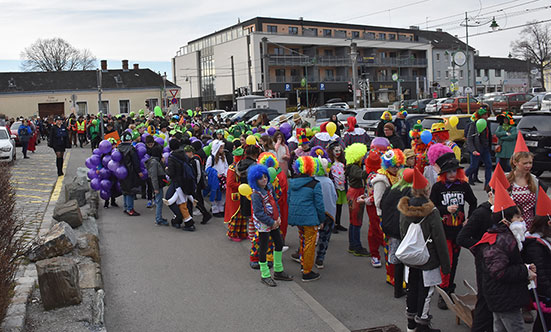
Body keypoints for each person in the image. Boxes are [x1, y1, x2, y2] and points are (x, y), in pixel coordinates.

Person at [471, 182, 534, 332]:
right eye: (518, 217)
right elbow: (499, 271)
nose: (521, 220)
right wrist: (524, 271)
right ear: (506, 220)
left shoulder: (505, 237)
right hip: (504, 296)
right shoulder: (501, 241)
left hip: (502, 295)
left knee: (500, 327)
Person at [398, 168, 450, 332]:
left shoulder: (404, 209)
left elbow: (402, 232)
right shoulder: (432, 212)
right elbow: (440, 239)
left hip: (411, 257)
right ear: (427, 190)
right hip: (429, 258)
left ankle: (411, 324)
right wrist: (446, 264)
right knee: (426, 291)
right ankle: (422, 324)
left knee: (411, 288)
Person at [429, 152, 477, 310]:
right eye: (448, 171)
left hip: (459, 231)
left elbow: (474, 202)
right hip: (443, 230)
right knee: (447, 261)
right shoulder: (438, 187)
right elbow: (431, 207)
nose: (452, 174)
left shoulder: (463, 185)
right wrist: (445, 208)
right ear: (443, 174)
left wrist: (470, 219)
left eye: (454, 171)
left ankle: (449, 286)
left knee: (454, 261)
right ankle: (444, 290)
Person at [248, 164, 293, 287]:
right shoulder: (256, 194)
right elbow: (258, 213)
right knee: (263, 249)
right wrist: (271, 222)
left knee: (278, 244)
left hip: (273, 220)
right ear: (255, 180)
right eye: (260, 178)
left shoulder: (269, 187)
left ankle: (278, 271)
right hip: (264, 224)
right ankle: (265, 275)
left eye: (265, 177)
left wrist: (277, 217)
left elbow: (275, 202)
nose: (264, 179)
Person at [288, 156, 325, 282]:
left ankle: (303, 264)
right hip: (310, 218)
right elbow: (319, 205)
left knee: (302, 241)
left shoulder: (292, 182)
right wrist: (321, 219)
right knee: (310, 244)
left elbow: (288, 200)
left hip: (297, 217)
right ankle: (307, 271)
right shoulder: (315, 184)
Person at [373, 148, 406, 286]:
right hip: (387, 217)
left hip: (398, 215)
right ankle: (391, 275)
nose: (396, 168)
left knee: (399, 247)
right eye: (393, 166)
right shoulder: (381, 179)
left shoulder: (398, 176)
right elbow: (378, 201)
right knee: (390, 247)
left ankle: (397, 275)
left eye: (398, 165)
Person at [380, 168, 413, 298]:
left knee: (397, 259)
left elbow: (382, 205)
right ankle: (408, 286)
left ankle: (398, 289)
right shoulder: (411, 192)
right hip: (405, 230)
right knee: (409, 260)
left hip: (391, 229)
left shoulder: (391, 189)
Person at [523, 187, 551, 332]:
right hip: (543, 294)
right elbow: (541, 272)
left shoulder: (545, 239)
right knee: (544, 324)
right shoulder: (535, 246)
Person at [507, 133, 541, 229]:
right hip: (512, 225)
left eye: (530, 163)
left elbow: (538, 205)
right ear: (515, 162)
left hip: (530, 225)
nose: (528, 166)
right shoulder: (506, 180)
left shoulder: (534, 180)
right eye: (525, 163)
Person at [344, 143, 370, 257]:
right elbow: (363, 175)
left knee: (354, 221)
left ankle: (353, 245)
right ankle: (356, 246)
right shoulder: (354, 167)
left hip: (354, 192)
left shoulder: (352, 166)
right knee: (356, 221)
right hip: (356, 193)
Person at [313, 156, 337, 269]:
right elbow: (334, 197)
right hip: (329, 213)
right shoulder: (329, 182)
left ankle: (304, 255)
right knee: (324, 238)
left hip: (315, 213)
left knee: (310, 236)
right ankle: (320, 258)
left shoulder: (313, 181)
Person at [118, 131, 143, 216]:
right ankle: (130, 209)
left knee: (125, 190)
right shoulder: (131, 149)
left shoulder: (119, 148)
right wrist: (139, 171)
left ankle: (126, 207)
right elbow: (135, 162)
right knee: (130, 191)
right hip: (130, 172)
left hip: (120, 172)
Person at [465, 108, 492, 186]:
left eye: (486, 115)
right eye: (484, 115)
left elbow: (488, 137)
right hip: (476, 149)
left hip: (485, 148)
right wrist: (473, 150)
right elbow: (470, 138)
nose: (486, 116)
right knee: (473, 166)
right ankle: (461, 178)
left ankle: (488, 184)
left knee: (489, 165)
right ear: (480, 116)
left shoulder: (487, 123)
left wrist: (489, 147)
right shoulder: (473, 124)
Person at [327, 141, 347, 233]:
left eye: (339, 150)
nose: (338, 152)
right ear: (331, 151)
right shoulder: (329, 162)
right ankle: (332, 224)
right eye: (336, 150)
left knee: (339, 206)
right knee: (333, 206)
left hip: (342, 187)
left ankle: (338, 223)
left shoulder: (343, 161)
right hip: (334, 187)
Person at [205, 140, 228, 217]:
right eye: (220, 148)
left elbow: (226, 166)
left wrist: (225, 173)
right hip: (215, 179)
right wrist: (215, 173)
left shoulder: (223, 157)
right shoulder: (211, 158)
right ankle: (215, 209)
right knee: (214, 194)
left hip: (223, 178)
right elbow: (207, 168)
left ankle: (221, 208)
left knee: (222, 194)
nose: (222, 149)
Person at [145, 153, 168, 226]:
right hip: (158, 185)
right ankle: (158, 219)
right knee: (159, 202)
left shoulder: (154, 162)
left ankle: (159, 217)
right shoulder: (154, 163)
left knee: (159, 201)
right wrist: (155, 188)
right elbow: (154, 176)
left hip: (158, 184)